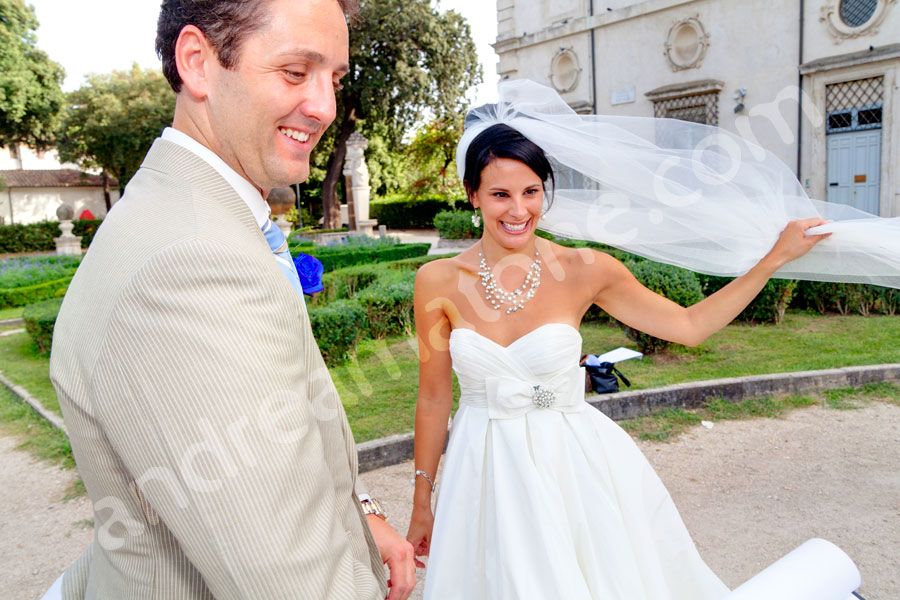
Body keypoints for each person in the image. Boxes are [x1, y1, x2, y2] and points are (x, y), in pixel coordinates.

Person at [47, 1, 415, 598]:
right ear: (197, 61)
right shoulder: (191, 263)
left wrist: (362, 509)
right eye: (296, 72)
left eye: (335, 79)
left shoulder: (198, 218)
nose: (325, 107)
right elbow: (294, 581)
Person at [405, 121, 831, 599]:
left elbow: (689, 327)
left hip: (571, 464)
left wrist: (773, 259)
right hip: (482, 470)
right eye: (501, 194)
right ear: (473, 195)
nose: (519, 210)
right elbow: (435, 395)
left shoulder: (586, 269)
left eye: (531, 191)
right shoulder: (437, 281)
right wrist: (423, 499)